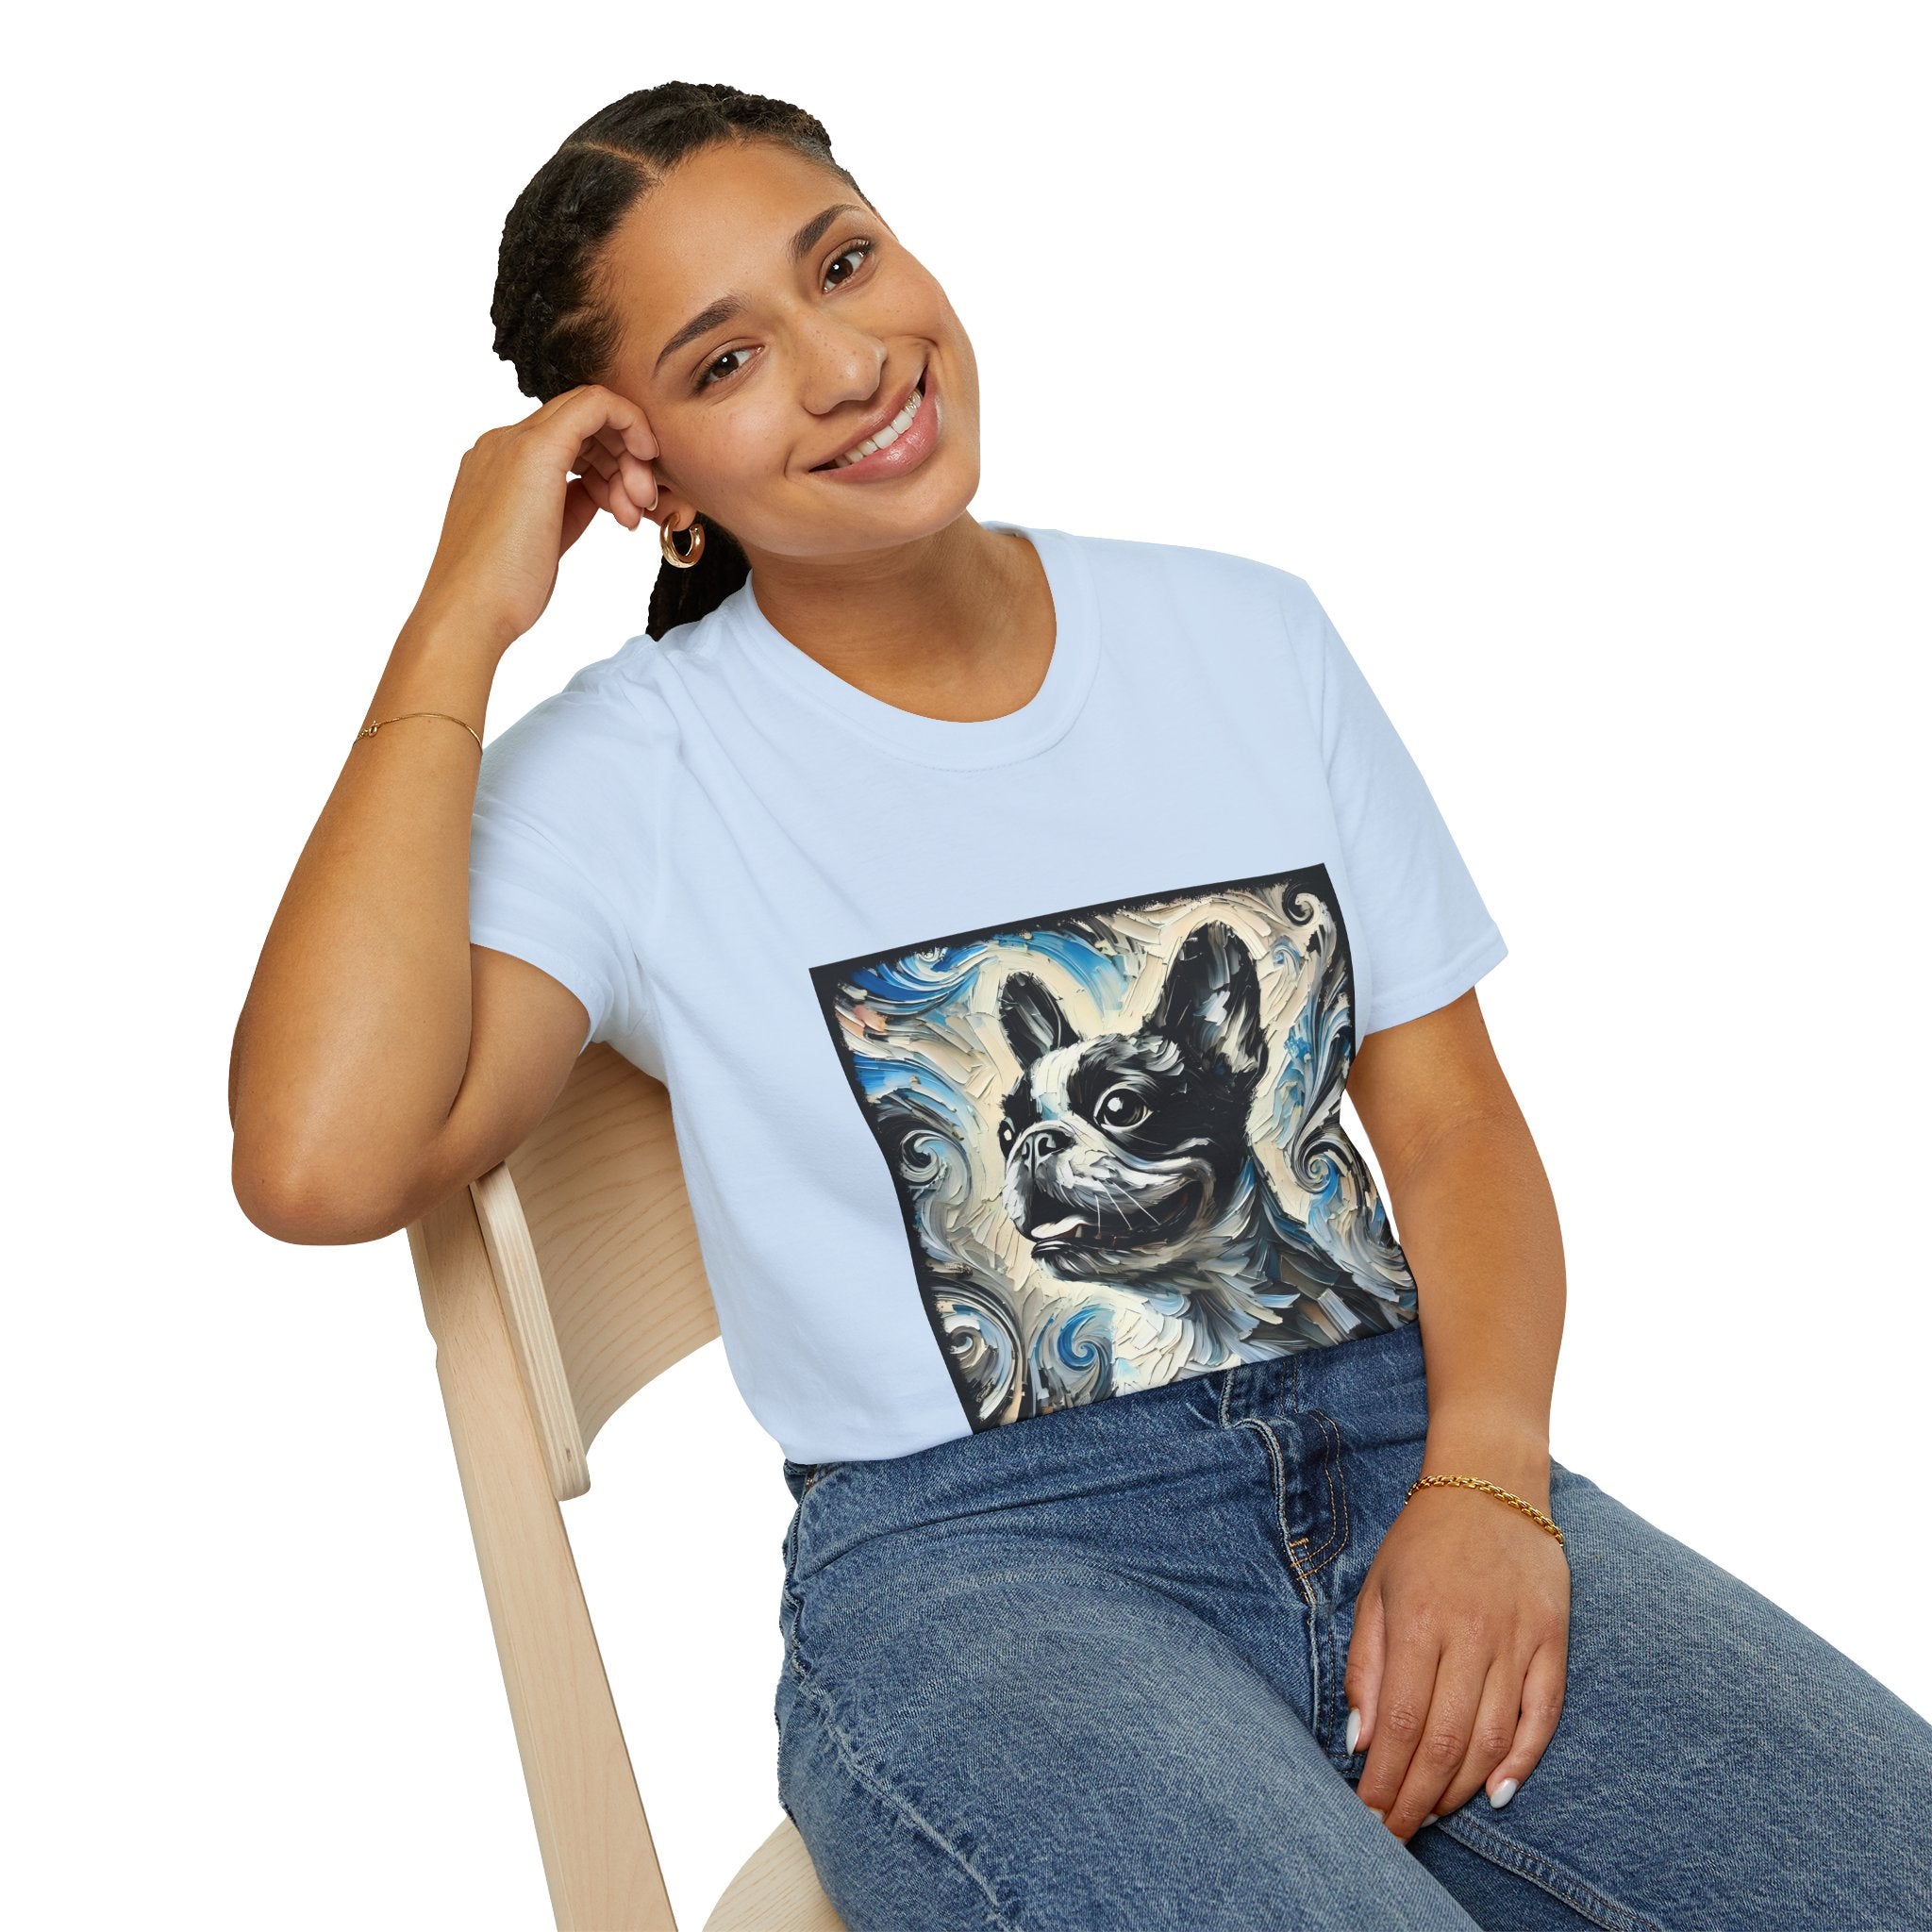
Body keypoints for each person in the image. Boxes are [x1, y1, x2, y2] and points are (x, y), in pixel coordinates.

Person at [228, 80, 1932, 1932]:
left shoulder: (1245, 638)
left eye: (845, 263)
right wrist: (455, 618)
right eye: (725, 362)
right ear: (648, 481)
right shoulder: (634, 773)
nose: (845, 361)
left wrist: (1490, 1486)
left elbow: (1447, 1127)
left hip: (1404, 1446)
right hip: (985, 1568)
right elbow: (321, 1159)